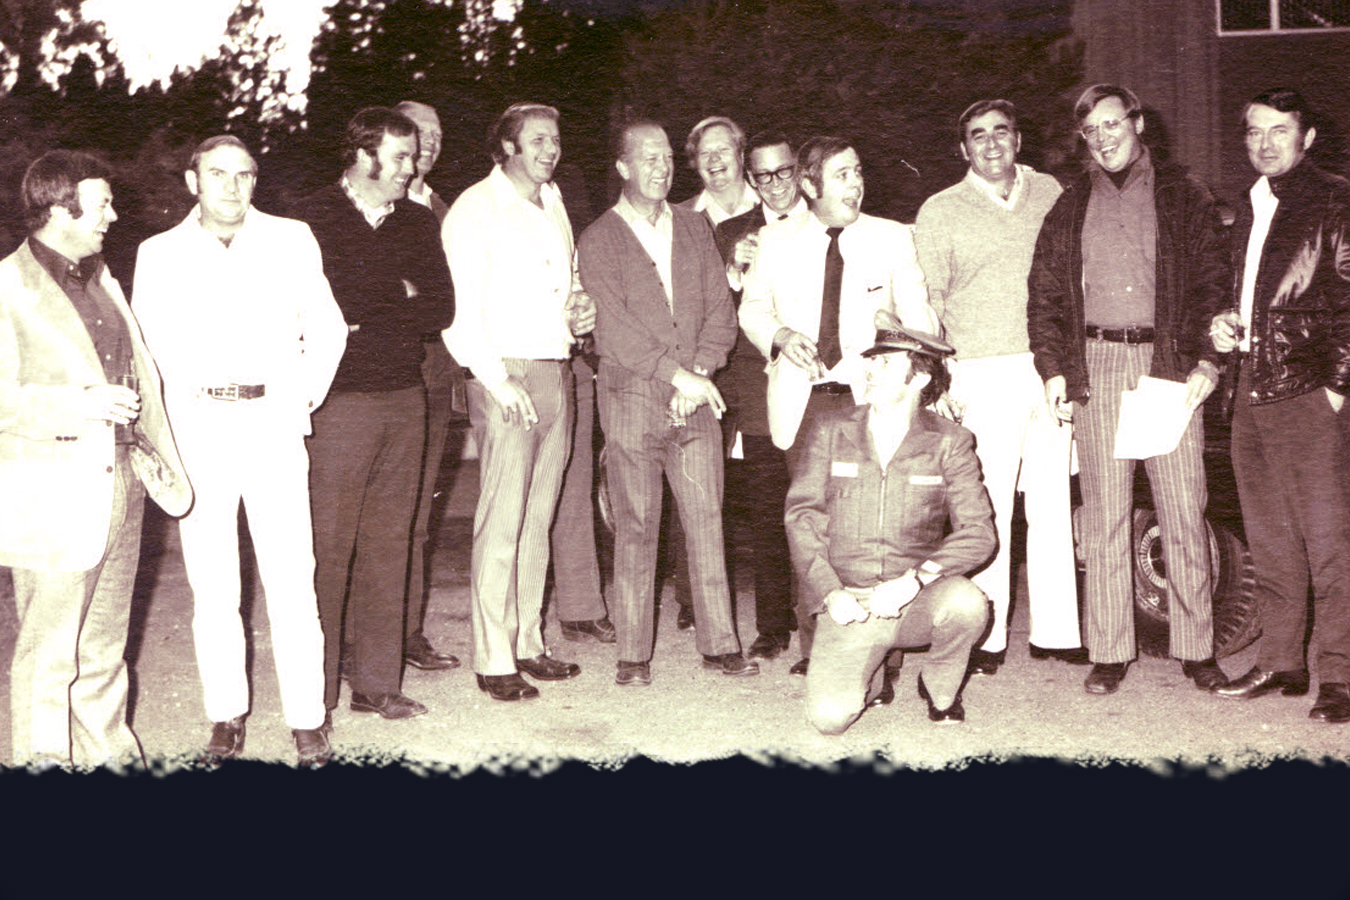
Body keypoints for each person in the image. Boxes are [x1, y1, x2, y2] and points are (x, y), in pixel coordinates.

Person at [133, 135, 348, 767]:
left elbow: (328, 329)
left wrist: (299, 399)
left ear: (256, 181)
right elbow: (149, 352)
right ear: (192, 180)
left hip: (273, 426)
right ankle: (225, 717)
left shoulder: (290, 238)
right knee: (214, 583)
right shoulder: (160, 253)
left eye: (245, 175)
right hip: (200, 427)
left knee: (291, 576)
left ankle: (308, 722)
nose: (232, 186)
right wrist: (171, 429)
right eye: (217, 173)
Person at [1027, 84, 1229, 695]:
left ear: (1138, 123)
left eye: (1114, 124)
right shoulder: (1070, 203)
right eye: (1092, 130)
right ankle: (1110, 649)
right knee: (1106, 517)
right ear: (1083, 139)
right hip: (1097, 363)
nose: (1105, 138)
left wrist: (1207, 361)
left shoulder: (1182, 194)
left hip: (1166, 362)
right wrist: (1054, 367)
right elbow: (1045, 295)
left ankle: (1196, 648)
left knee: (1182, 511)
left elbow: (1211, 283)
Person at [0, 150, 191, 769]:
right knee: (49, 653)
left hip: (124, 482)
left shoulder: (103, 277)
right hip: (53, 496)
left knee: (105, 647)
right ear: (60, 209)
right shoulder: (7, 287)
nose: (114, 213)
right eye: (102, 203)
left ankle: (113, 766)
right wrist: (79, 403)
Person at [739, 134, 937, 676]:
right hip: (801, 406)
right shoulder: (776, 240)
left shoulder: (893, 238)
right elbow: (752, 309)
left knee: (870, 529)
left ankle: (879, 656)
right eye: (843, 174)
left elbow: (923, 319)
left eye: (858, 172)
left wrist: (897, 335)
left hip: (866, 401)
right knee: (810, 530)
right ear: (810, 185)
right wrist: (779, 335)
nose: (857, 183)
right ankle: (818, 651)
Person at [577, 119, 756, 685]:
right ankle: (633, 653)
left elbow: (718, 312)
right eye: (647, 158)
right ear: (624, 167)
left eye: (666, 159)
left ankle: (720, 643)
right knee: (636, 523)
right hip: (633, 397)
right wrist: (678, 376)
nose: (661, 168)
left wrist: (699, 372)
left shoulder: (694, 225)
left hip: (697, 395)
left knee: (706, 518)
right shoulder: (599, 238)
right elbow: (613, 329)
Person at [293, 107, 455, 720]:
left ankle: (377, 684)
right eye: (400, 157)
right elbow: (326, 304)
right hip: (337, 402)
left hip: (404, 397)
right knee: (330, 547)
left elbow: (440, 307)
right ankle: (318, 689)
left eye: (412, 157)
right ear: (363, 157)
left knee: (390, 539)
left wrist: (371, 302)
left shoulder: (416, 219)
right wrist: (395, 293)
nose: (411, 169)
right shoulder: (310, 217)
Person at [914, 100, 1084, 676]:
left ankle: (1057, 633)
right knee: (987, 513)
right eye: (977, 136)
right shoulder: (940, 210)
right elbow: (928, 303)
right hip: (979, 372)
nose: (991, 144)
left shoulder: (1052, 192)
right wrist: (938, 380)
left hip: (1049, 365)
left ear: (1018, 139)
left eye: (1001, 133)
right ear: (963, 149)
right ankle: (985, 634)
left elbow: (1071, 280)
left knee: (1052, 501)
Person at [442, 102, 594, 701]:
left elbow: (569, 282)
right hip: (505, 374)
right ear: (506, 146)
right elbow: (457, 313)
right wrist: (495, 380)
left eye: (554, 139)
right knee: (502, 518)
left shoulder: (552, 202)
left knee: (538, 518)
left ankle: (528, 640)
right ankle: (492, 655)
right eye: (537, 140)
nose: (549, 149)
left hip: (557, 369)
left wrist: (582, 308)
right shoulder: (475, 211)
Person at [1210, 88, 1350, 724]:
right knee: (1269, 542)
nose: (1264, 144)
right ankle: (1283, 661)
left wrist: (1337, 385)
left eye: (1278, 131)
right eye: (1253, 131)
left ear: (1308, 137)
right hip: (1250, 390)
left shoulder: (1335, 198)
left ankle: (1341, 677)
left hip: (1307, 396)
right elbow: (1251, 296)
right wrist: (1222, 324)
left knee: (1330, 545)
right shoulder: (1249, 204)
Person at [785, 311, 992, 735]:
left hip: (914, 596)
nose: (869, 369)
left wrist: (916, 579)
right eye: (871, 361)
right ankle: (873, 671)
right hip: (850, 601)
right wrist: (829, 592)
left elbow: (979, 533)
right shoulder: (830, 429)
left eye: (885, 363)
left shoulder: (950, 442)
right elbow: (802, 516)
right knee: (829, 719)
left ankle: (939, 688)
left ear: (917, 380)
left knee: (968, 603)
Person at [708, 130, 810, 661]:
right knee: (769, 510)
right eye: (762, 176)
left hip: (821, 386)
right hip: (760, 386)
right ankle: (772, 626)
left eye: (784, 172)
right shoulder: (729, 232)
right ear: (750, 180)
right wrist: (735, 271)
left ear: (800, 169)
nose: (775, 185)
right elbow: (714, 314)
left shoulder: (828, 219)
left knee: (821, 510)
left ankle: (823, 624)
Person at [393, 99, 465, 673]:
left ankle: (407, 630)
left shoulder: (446, 209)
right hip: (381, 376)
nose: (430, 142)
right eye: (419, 132)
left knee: (419, 513)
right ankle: (363, 636)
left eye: (438, 134)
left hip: (436, 375)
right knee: (379, 512)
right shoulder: (374, 206)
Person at [677, 115, 758, 228]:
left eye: (723, 149)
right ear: (695, 161)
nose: (714, 158)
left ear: (741, 155)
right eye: (705, 152)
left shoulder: (772, 202)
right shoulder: (677, 217)